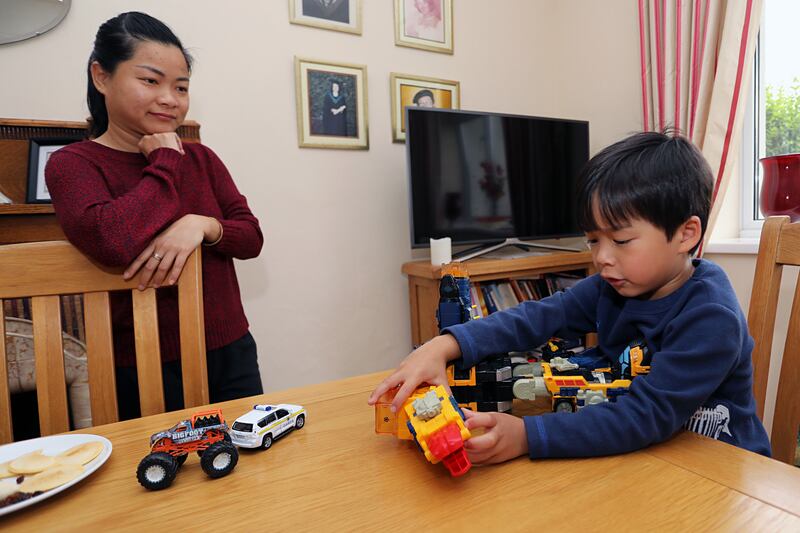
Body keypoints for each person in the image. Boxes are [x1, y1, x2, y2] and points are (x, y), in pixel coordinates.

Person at [369, 131, 771, 464]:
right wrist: (447, 343)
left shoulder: (710, 316)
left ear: (686, 234)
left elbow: (645, 416)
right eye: (593, 240)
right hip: (646, 456)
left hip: (720, 470)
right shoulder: (612, 286)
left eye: (621, 240)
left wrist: (527, 436)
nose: (601, 258)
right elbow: (537, 316)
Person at [45, 12, 264, 419]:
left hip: (229, 349)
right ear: (101, 76)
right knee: (162, 472)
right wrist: (164, 160)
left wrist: (201, 225)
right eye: (151, 81)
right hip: (137, 364)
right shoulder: (72, 164)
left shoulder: (202, 158)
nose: (170, 98)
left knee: (251, 465)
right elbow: (112, 240)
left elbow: (251, 237)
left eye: (180, 87)